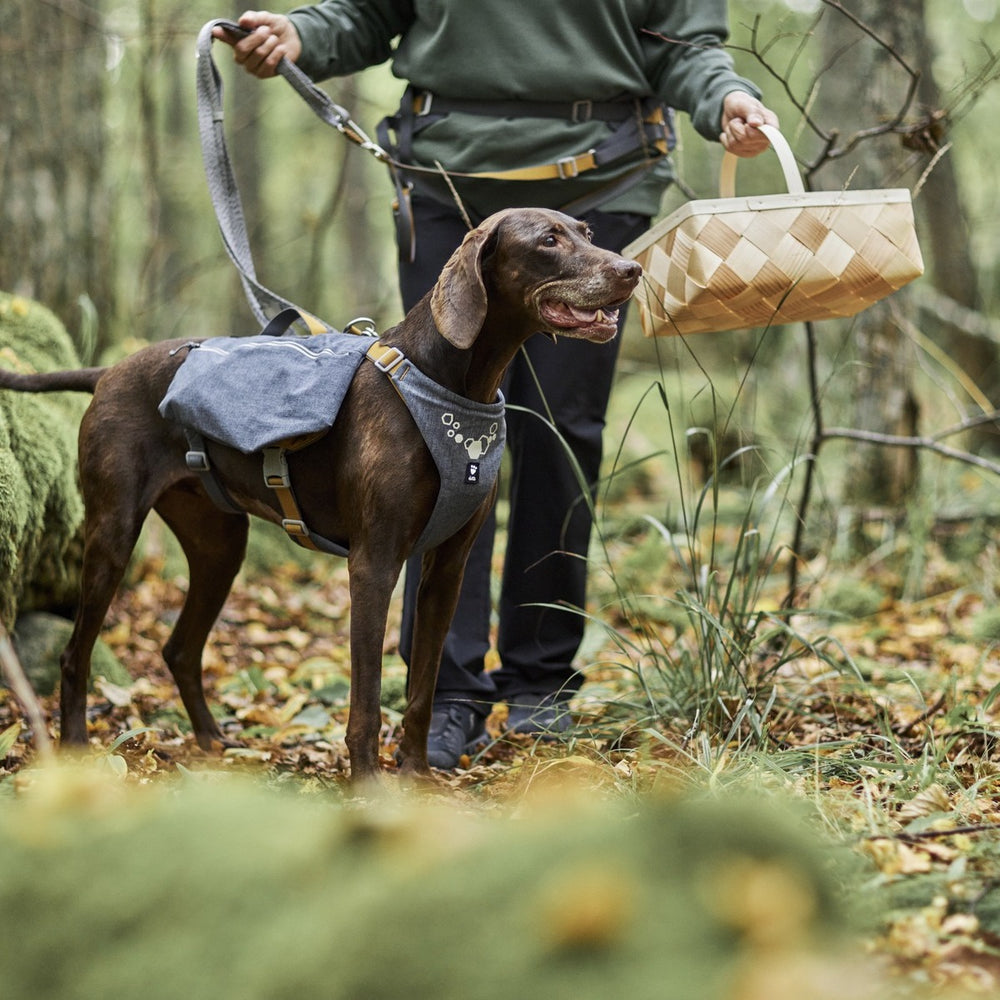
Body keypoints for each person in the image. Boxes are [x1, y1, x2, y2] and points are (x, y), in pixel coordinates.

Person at [217, 2, 779, 769]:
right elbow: (368, 12)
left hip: (599, 174)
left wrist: (725, 99)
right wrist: (302, 35)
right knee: (428, 442)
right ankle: (445, 694)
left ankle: (543, 681)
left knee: (560, 435)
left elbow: (683, 43)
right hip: (446, 178)